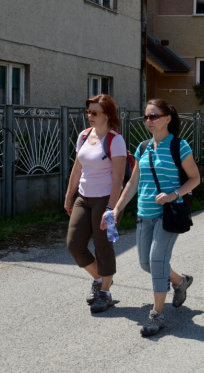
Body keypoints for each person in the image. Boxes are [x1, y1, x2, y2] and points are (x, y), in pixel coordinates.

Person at [110, 99, 200, 337]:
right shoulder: (143, 147)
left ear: (167, 118)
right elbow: (133, 182)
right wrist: (117, 209)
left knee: (157, 262)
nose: (149, 121)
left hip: (167, 214)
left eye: (154, 116)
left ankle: (157, 315)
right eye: (146, 117)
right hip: (144, 213)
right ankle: (180, 282)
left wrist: (173, 194)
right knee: (146, 264)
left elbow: (195, 178)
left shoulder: (179, 146)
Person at [64, 94, 126, 314]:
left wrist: (111, 208)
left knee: (103, 246)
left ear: (107, 115)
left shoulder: (115, 140)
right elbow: (77, 168)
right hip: (84, 197)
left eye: (95, 112)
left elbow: (118, 178)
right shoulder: (83, 135)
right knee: (74, 244)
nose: (90, 116)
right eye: (88, 111)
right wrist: (69, 195)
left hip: (104, 198)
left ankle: (106, 293)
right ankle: (99, 279)